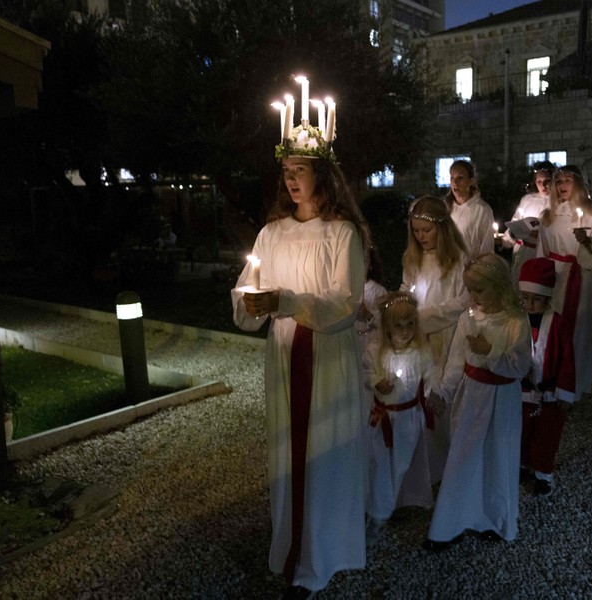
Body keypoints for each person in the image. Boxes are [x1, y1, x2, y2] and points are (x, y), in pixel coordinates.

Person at [231, 101, 368, 598]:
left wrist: (287, 300)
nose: (291, 180)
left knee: (323, 453)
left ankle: (320, 555)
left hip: (326, 356)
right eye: (286, 171)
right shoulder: (271, 233)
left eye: (301, 171)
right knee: (290, 453)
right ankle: (290, 544)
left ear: (323, 177)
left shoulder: (342, 234)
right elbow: (247, 289)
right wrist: (252, 303)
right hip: (286, 353)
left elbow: (345, 304)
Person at [423, 254, 532, 551]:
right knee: (463, 455)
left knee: (497, 456)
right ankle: (450, 524)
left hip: (501, 399)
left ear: (499, 287)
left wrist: (490, 350)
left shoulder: (515, 321)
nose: (473, 297)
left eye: (479, 290)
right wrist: (444, 391)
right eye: (470, 289)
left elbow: (520, 365)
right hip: (471, 396)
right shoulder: (467, 319)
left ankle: (493, 519)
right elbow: (456, 361)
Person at [401, 195, 469, 482]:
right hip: (417, 335)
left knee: (439, 399)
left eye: (426, 231)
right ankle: (418, 470)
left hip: (445, 336)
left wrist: (425, 317)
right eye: (415, 231)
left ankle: (442, 470)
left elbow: (462, 302)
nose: (421, 237)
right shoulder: (413, 258)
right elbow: (407, 287)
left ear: (442, 228)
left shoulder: (458, 261)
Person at [364, 292, 436, 545]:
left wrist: (433, 395)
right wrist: (376, 382)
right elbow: (366, 372)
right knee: (379, 464)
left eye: (410, 324)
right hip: (381, 419)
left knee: (399, 466)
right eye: (398, 325)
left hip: (407, 420)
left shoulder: (420, 351)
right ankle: (377, 514)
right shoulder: (376, 350)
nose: (405, 331)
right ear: (386, 326)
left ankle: (385, 507)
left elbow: (431, 378)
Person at [536, 165, 592, 397]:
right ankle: (551, 380)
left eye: (567, 180)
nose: (562, 186)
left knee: (580, 330)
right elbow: (542, 251)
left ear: (577, 183)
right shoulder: (548, 216)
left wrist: (587, 242)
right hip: (556, 278)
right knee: (554, 328)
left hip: (581, 277)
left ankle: (574, 385)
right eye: (558, 181)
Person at [517, 258, 576, 496]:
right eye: (526, 298)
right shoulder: (516, 320)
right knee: (521, 431)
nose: (530, 304)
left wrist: (564, 390)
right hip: (522, 391)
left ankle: (543, 473)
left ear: (548, 297)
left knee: (546, 436)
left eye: (537, 299)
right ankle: (521, 465)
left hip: (549, 393)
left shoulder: (558, 323)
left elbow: (567, 359)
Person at [502, 161, 554, 282]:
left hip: (543, 255)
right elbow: (516, 220)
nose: (543, 185)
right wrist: (508, 238)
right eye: (539, 181)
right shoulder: (527, 199)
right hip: (522, 252)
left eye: (547, 181)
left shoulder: (558, 202)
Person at [445, 159, 495, 258]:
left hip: (471, 270)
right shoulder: (445, 208)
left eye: (460, 178)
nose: (455, 182)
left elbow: (487, 247)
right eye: (452, 178)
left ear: (471, 181)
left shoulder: (482, 210)